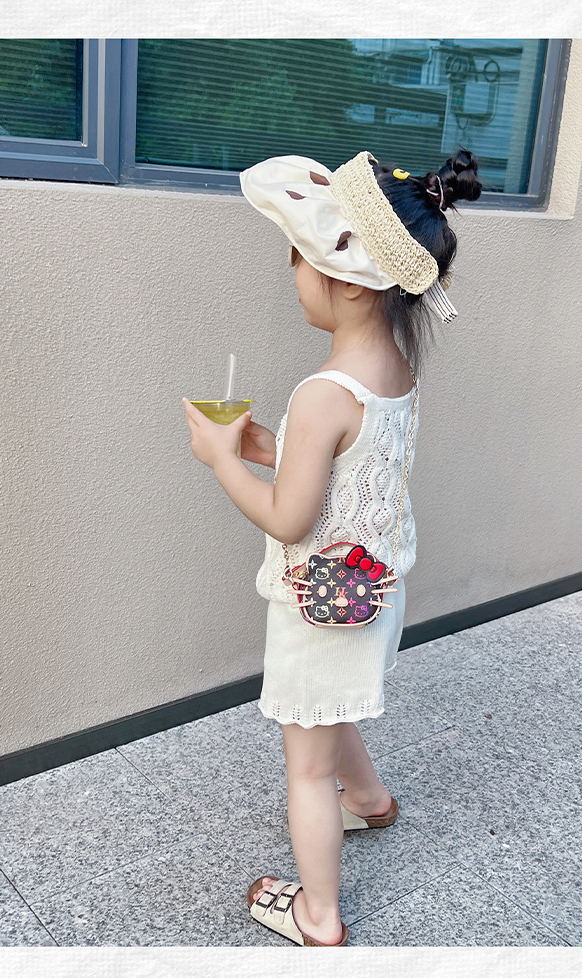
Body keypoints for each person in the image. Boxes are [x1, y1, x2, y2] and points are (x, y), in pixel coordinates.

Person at [182, 148, 481, 946]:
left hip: (318, 608)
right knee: (332, 708)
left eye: (299, 258)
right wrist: (269, 445)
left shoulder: (322, 392)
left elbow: (289, 519)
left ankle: (318, 917)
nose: (293, 274)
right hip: (371, 592)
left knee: (306, 768)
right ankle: (372, 802)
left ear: (348, 280)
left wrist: (221, 460)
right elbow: (348, 464)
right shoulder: (395, 368)